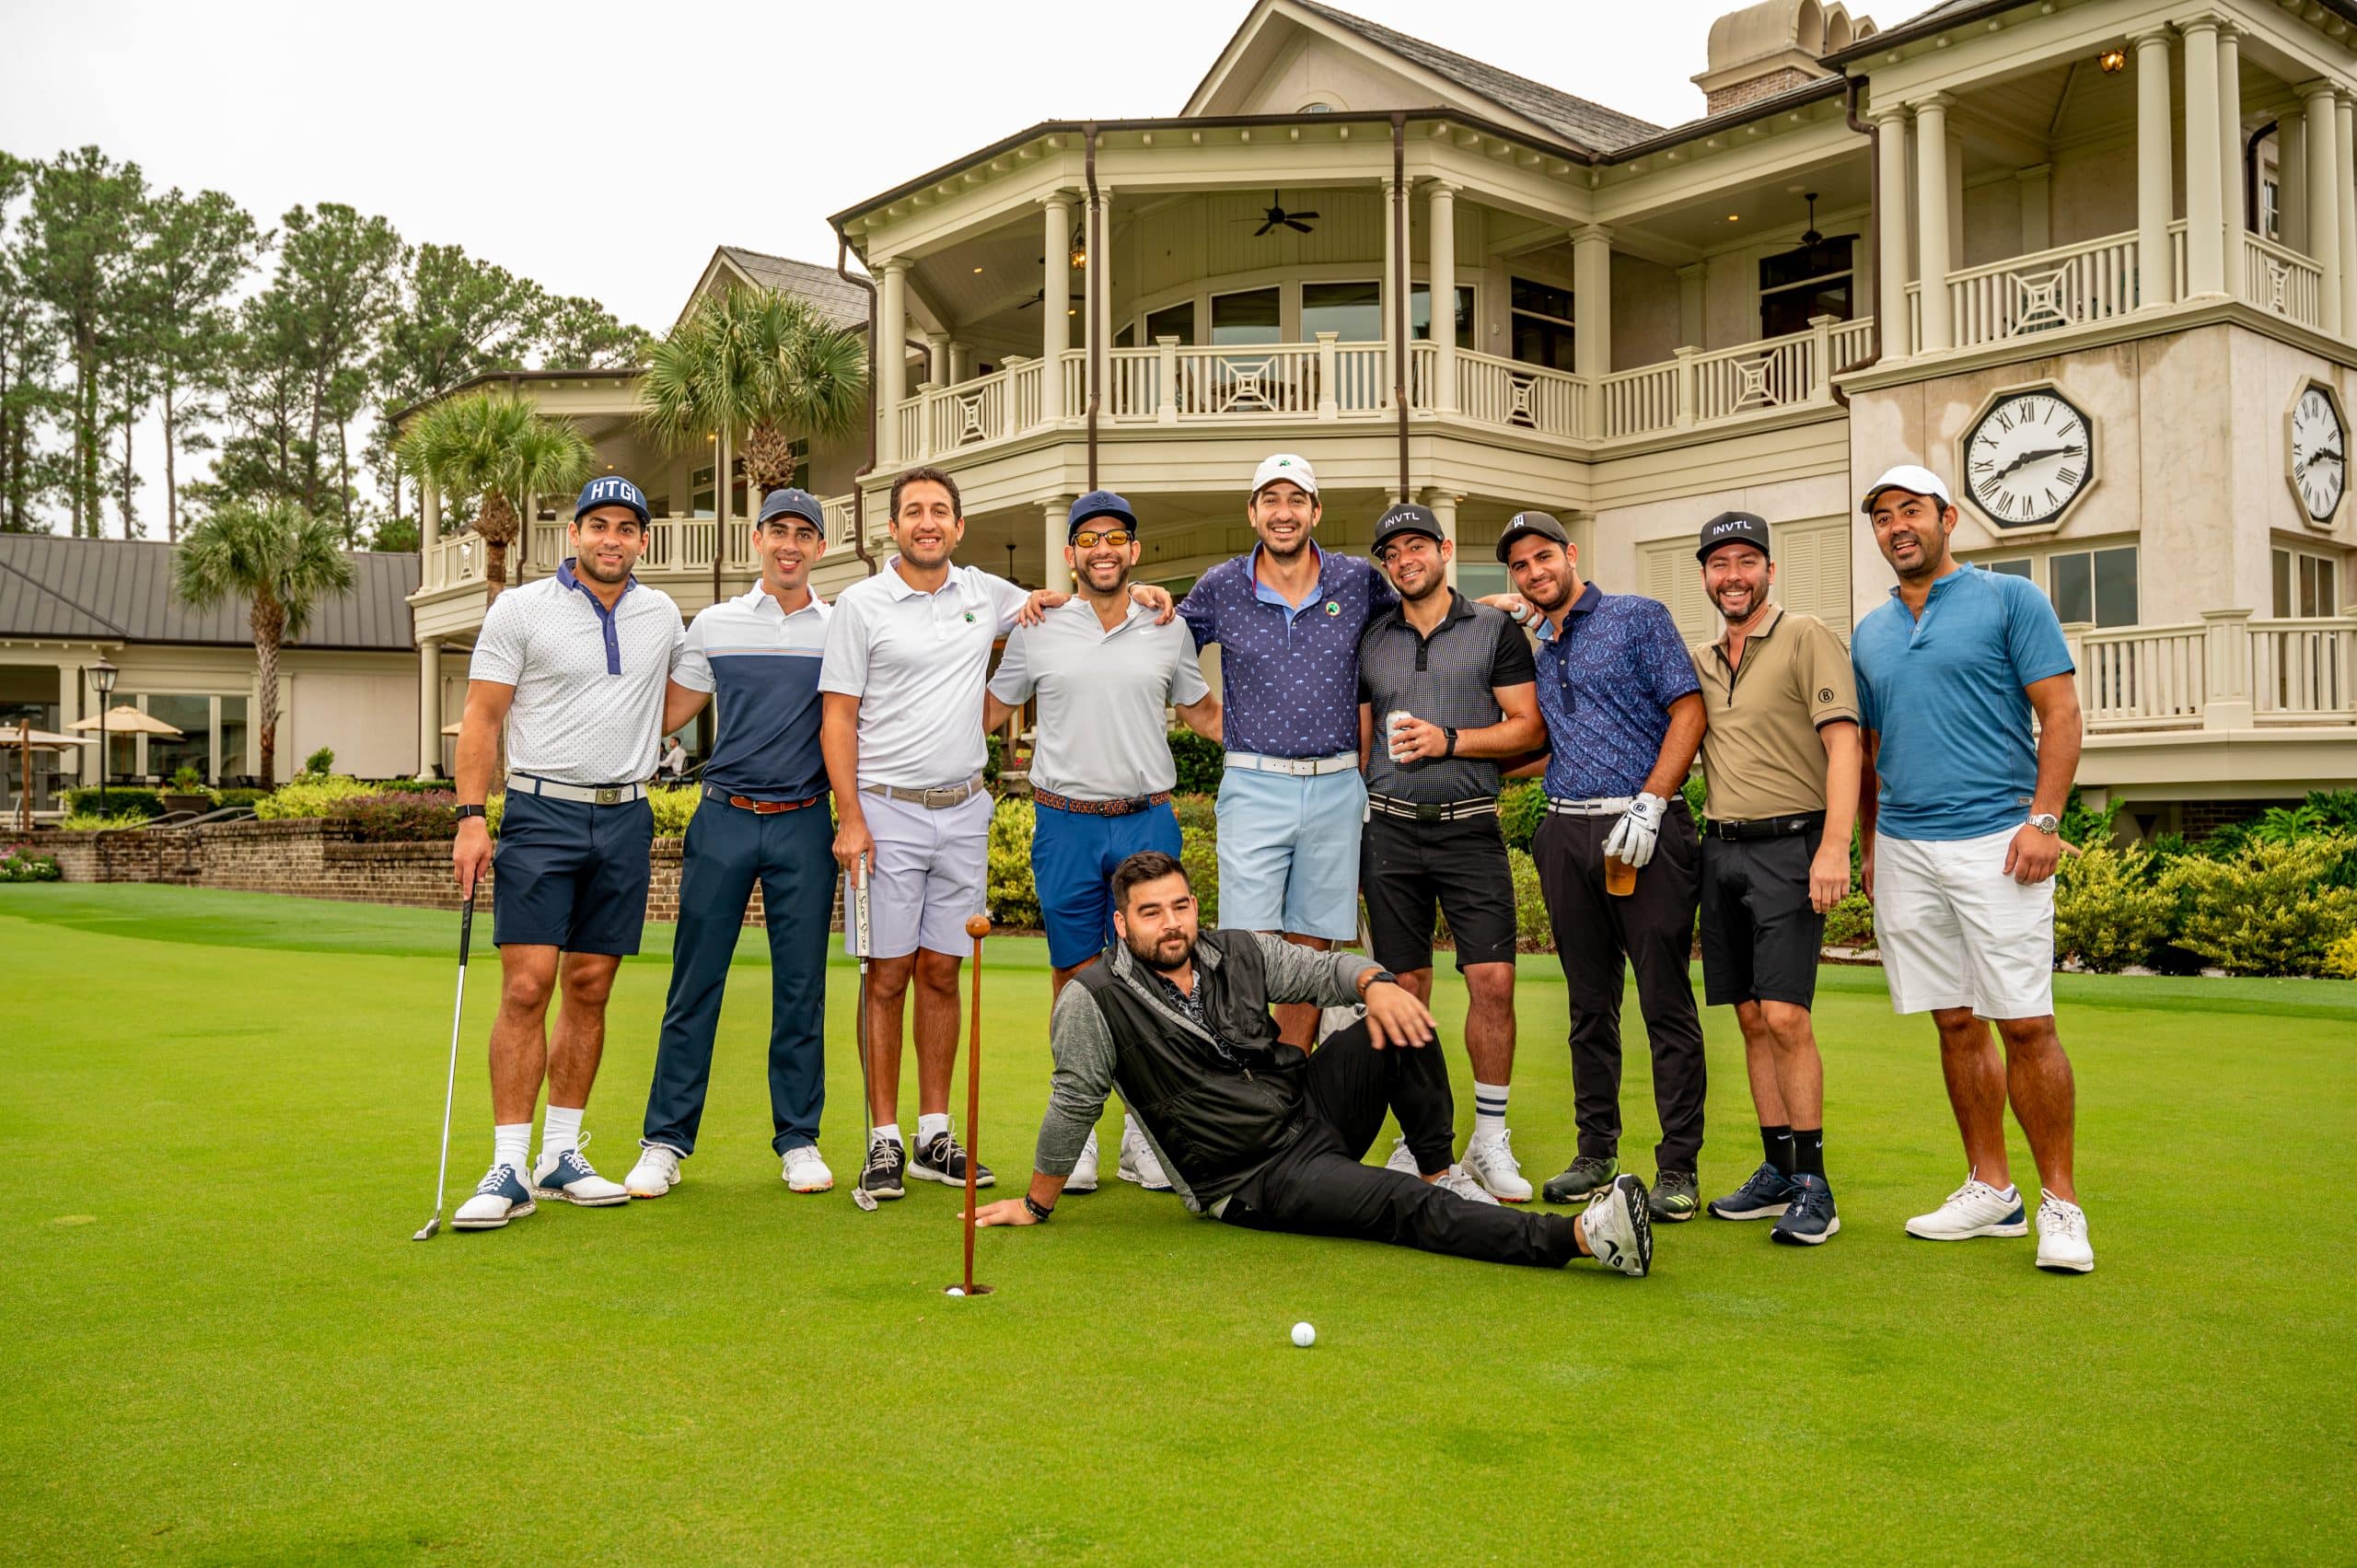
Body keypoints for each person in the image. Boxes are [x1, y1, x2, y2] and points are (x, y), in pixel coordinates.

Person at [964, 852, 1653, 1279]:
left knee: (1398, 1016)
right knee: (1399, 1206)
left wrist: (1377, 982)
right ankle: (1582, 1238)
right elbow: (1073, 1103)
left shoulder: (1235, 948)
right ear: (1123, 925)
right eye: (1150, 913)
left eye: (1179, 905)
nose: (1170, 923)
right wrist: (1035, 1203)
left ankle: (1440, 1169)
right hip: (1255, 1176)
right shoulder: (1094, 998)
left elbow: (1326, 969)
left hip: (1308, 1108)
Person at [820, 466, 1169, 1203]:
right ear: (893, 525)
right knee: (887, 976)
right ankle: (883, 1138)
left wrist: (1142, 594)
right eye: (913, 510)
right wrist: (849, 815)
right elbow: (838, 718)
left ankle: (932, 1133)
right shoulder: (860, 604)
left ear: (958, 526)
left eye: (940, 511)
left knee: (943, 972)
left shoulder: (989, 594)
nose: (927, 521)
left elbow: (1075, 600)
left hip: (962, 808)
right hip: (885, 809)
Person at [1852, 465, 2093, 1274]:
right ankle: (1992, 1189)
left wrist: (2044, 821)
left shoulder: (2009, 599)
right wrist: (1871, 843)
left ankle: (2061, 1204)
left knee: (2025, 1021)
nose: (1896, 526)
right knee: (1955, 1021)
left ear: (1947, 518)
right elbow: (1873, 750)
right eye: (1882, 516)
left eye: (1910, 511)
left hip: (1999, 838)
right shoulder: (1871, 630)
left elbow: (2059, 711)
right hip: (1909, 849)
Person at [447, 474, 685, 1231]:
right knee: (527, 986)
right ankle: (508, 1164)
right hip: (541, 811)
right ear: (573, 534)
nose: (611, 538)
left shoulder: (662, 614)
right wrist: (469, 817)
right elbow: (482, 719)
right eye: (598, 525)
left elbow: (675, 698)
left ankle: (559, 1154)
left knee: (590, 985)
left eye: (626, 526)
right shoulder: (520, 609)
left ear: (642, 539)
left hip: (625, 817)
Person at [984, 489, 1222, 1195]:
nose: (1103, 549)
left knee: (1156, 976)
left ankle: (1145, 1134)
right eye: (1089, 539)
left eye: (1116, 537)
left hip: (1146, 819)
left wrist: (1296, 745)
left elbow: (1202, 709)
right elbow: (993, 707)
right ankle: (1079, 1128)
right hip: (1064, 822)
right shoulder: (1039, 625)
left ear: (1134, 551)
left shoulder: (1164, 622)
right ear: (1071, 554)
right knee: (1075, 980)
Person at [1494, 511, 1710, 1224]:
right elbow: (1551, 741)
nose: (1534, 571)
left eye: (1543, 557)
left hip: (1643, 829)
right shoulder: (1541, 642)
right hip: (1567, 832)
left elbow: (1688, 711)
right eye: (1520, 566)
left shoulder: (1636, 617)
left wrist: (1653, 802)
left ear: (1571, 554)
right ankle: (1597, 1152)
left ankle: (1678, 1165)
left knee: (1664, 1002)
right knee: (1589, 1007)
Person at [624, 488, 838, 1202]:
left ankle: (799, 1139)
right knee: (695, 981)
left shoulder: (840, 627)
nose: (790, 544)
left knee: (802, 987)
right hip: (723, 817)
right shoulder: (713, 623)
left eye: (803, 534)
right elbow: (666, 714)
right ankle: (664, 1141)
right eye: (778, 530)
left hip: (806, 820)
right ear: (757, 539)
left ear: (819, 547)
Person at [1355, 503, 1545, 1202]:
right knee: (1406, 991)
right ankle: (1418, 1134)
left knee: (1492, 980)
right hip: (1390, 830)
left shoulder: (1494, 627)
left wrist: (1451, 740)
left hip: (1469, 827)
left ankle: (1490, 1137)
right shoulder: (1372, 636)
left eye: (1416, 546)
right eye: (1391, 552)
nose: (1405, 559)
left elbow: (1526, 728)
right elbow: (1363, 741)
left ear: (1444, 548)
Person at [1178, 454, 1397, 1050]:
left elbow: (1419, 620)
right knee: (1249, 947)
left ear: (1316, 511)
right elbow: (1167, 649)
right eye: (1270, 499)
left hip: (1336, 786)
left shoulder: (1357, 580)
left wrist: (1490, 611)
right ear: (1252, 513)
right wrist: (1204, 715)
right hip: (1254, 785)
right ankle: (1249, 1085)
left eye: (1296, 499)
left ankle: (1293, 1087)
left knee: (1313, 948)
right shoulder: (1221, 586)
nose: (1283, 512)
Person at [1684, 511, 1859, 1246]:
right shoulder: (1700, 657)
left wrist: (1835, 847)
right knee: (1751, 1017)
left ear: (1769, 570)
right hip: (1719, 852)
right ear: (1705, 576)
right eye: (1720, 563)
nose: (1734, 575)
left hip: (1792, 846)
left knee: (1787, 1016)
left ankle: (1817, 1185)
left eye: (1747, 561)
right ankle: (1777, 1169)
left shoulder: (1806, 634)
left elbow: (1845, 744)